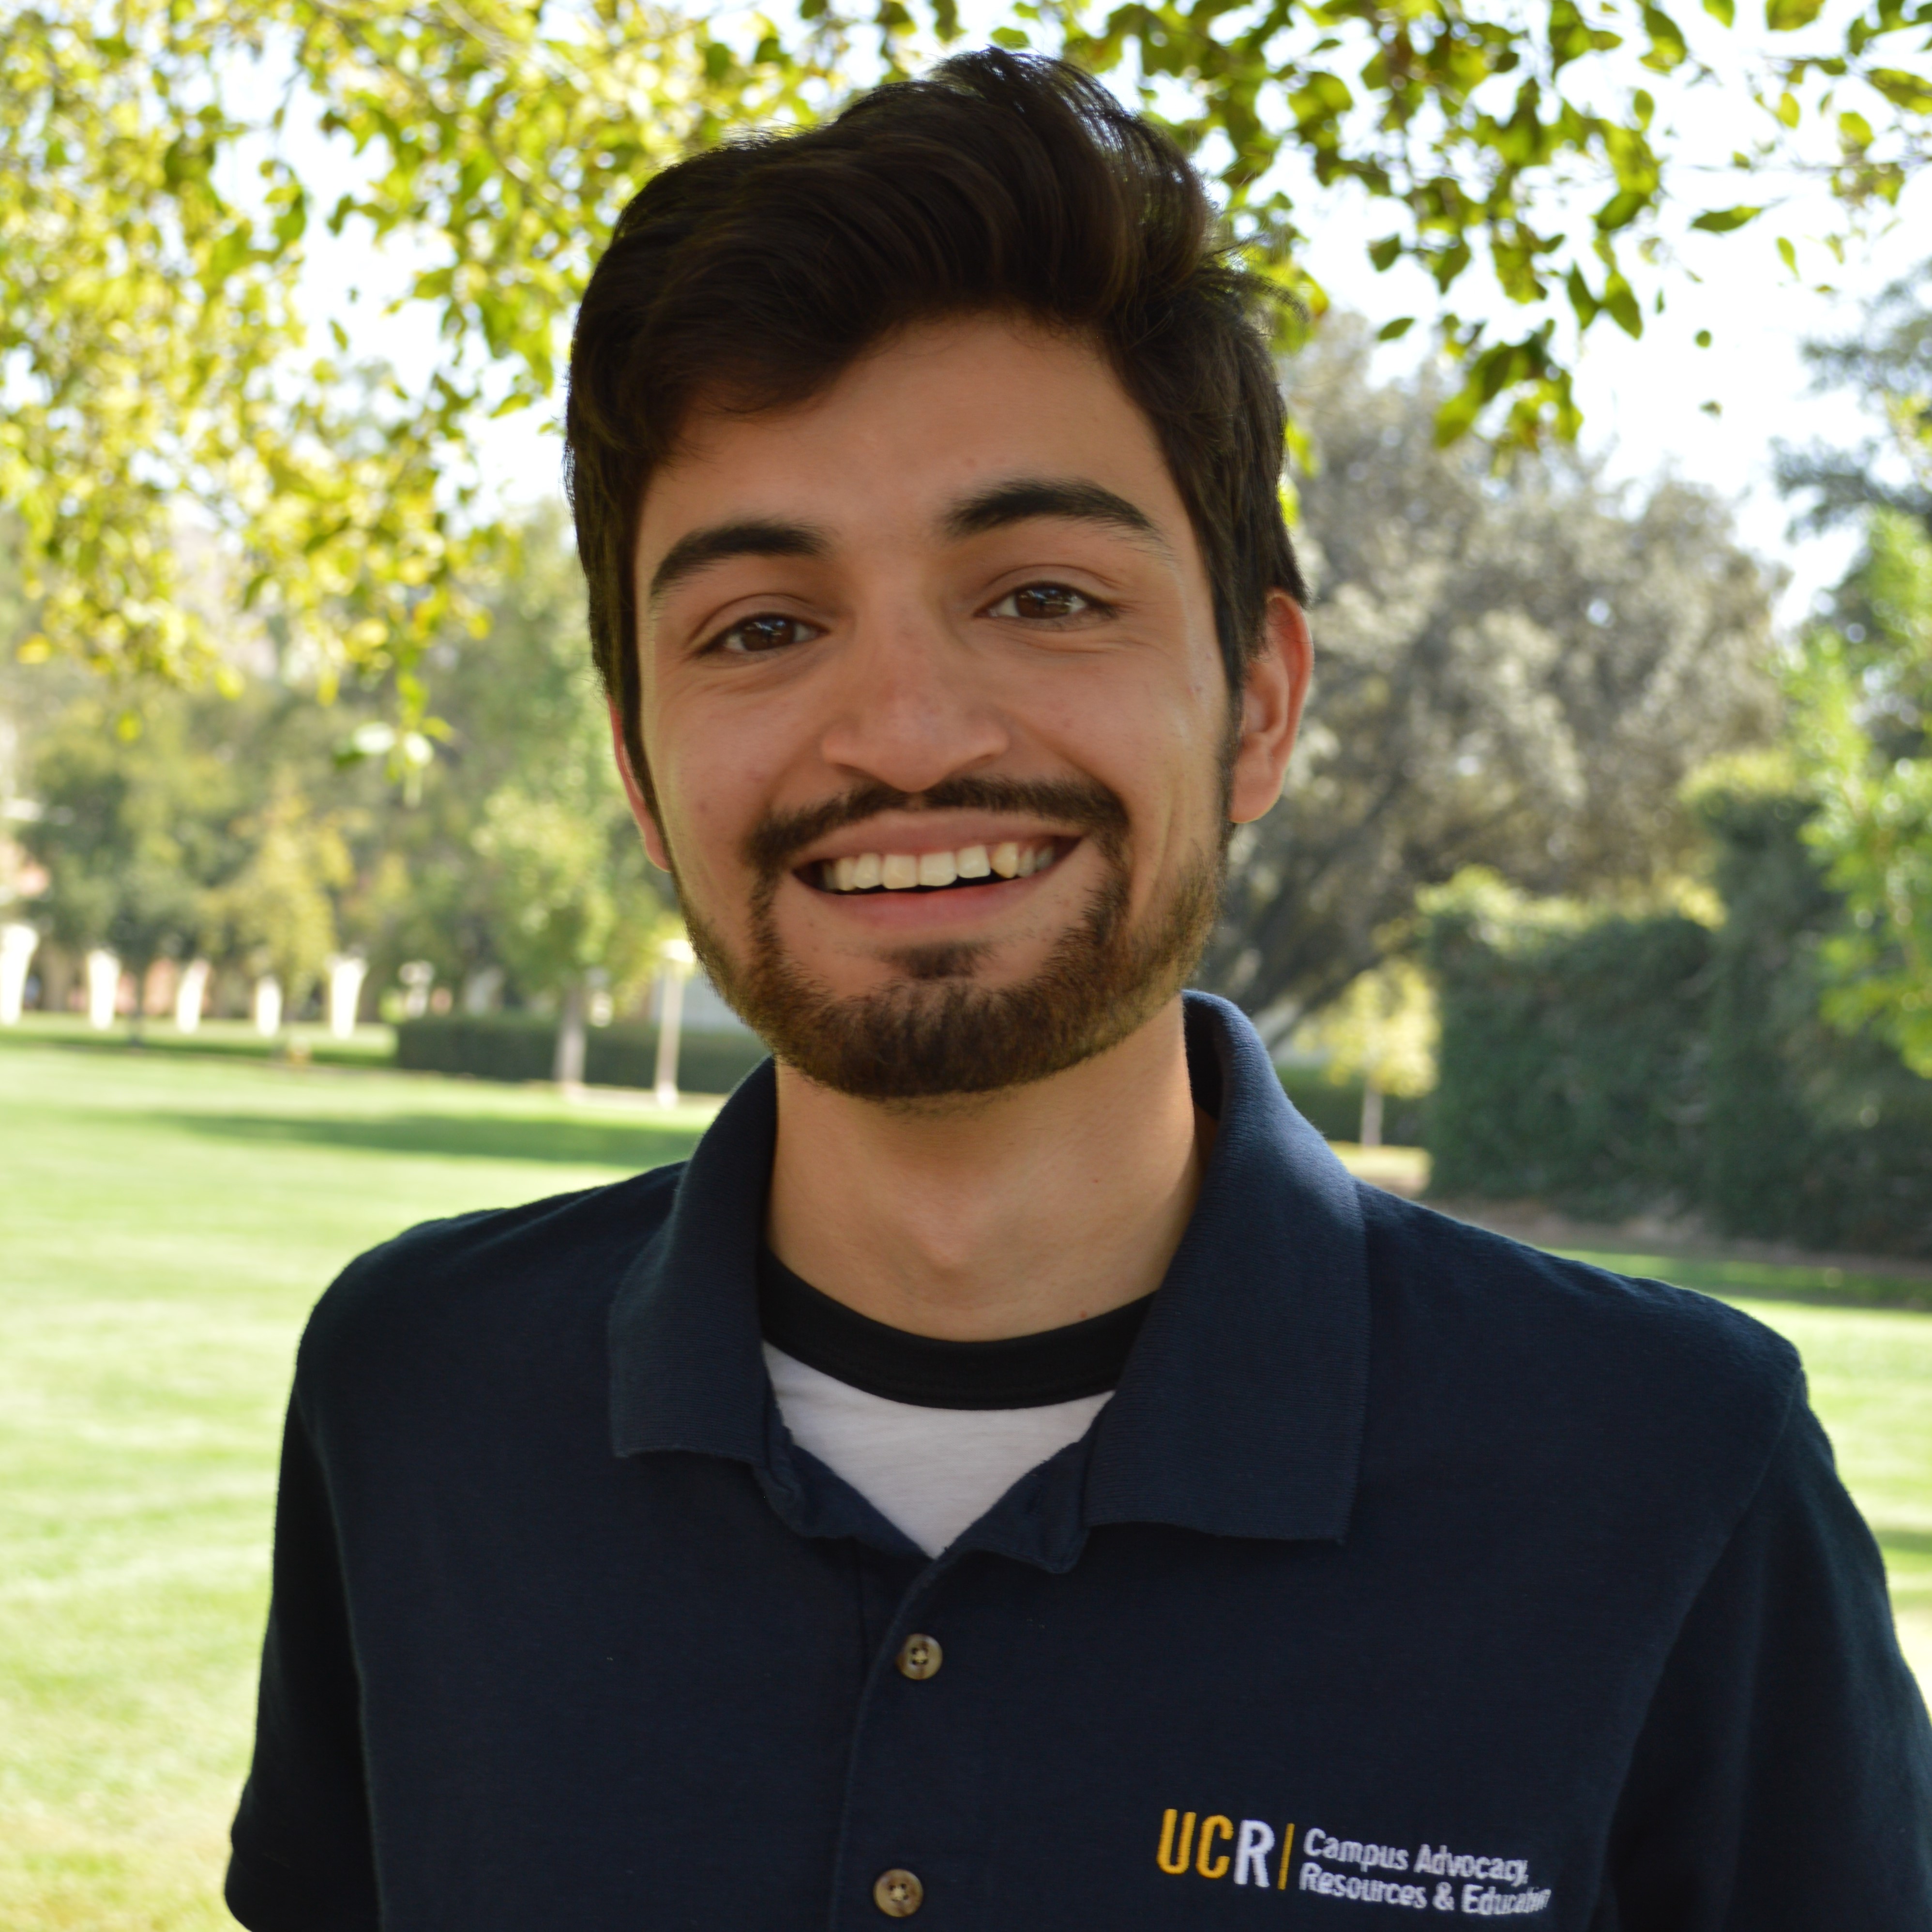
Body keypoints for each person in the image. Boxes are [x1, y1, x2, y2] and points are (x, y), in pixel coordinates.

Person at [226, 50, 1932, 1931]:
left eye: (1042, 596)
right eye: (761, 625)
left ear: (1257, 703)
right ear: (638, 769)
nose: (903, 734)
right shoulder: (416, 1392)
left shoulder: (1670, 1470)